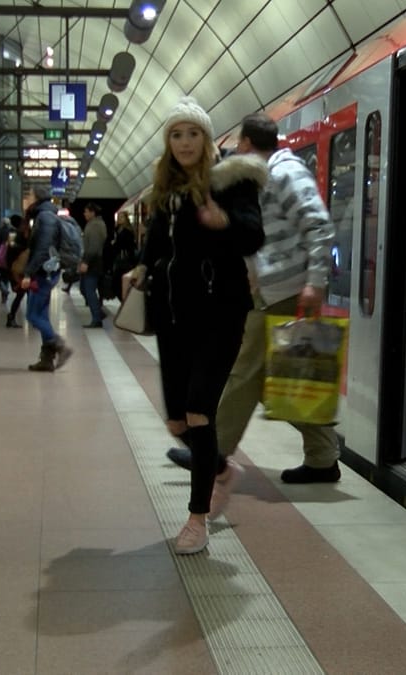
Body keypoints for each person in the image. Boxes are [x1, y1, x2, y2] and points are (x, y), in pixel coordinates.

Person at [164, 112, 339, 491]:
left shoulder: (285, 173)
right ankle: (323, 458)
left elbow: (320, 225)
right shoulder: (262, 177)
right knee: (291, 371)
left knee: (245, 371)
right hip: (273, 290)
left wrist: (315, 283)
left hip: (288, 290)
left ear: (244, 144)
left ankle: (212, 454)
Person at [126, 97, 266, 554]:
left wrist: (222, 221)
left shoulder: (230, 181)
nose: (184, 142)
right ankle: (220, 467)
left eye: (192, 134)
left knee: (199, 414)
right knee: (175, 422)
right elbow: (156, 245)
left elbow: (252, 233)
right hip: (173, 314)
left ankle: (196, 518)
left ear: (206, 140)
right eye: (176, 134)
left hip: (220, 312)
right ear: (168, 142)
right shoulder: (165, 187)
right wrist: (141, 268)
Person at [21, 185, 74, 371]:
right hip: (48, 270)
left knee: (33, 314)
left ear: (37, 198)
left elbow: (42, 248)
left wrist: (28, 272)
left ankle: (60, 346)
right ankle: (46, 360)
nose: (26, 198)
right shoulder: (47, 215)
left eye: (29, 194)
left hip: (44, 272)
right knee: (41, 313)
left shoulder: (44, 217)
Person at [79, 202, 108, 327]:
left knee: (89, 290)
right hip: (93, 261)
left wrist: (86, 262)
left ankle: (97, 319)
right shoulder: (93, 224)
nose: (84, 214)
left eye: (86, 211)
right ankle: (98, 312)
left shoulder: (95, 226)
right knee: (84, 288)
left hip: (93, 262)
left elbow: (94, 247)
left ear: (92, 212)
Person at [5, 214, 33, 328]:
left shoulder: (13, 235)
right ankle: (12, 317)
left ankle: (12, 317)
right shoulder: (21, 236)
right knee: (23, 294)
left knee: (23, 294)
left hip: (15, 269)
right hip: (18, 270)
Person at [0, 215, 16, 305]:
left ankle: (4, 291)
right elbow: (13, 245)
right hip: (9, 258)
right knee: (6, 277)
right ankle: (4, 293)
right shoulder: (12, 232)